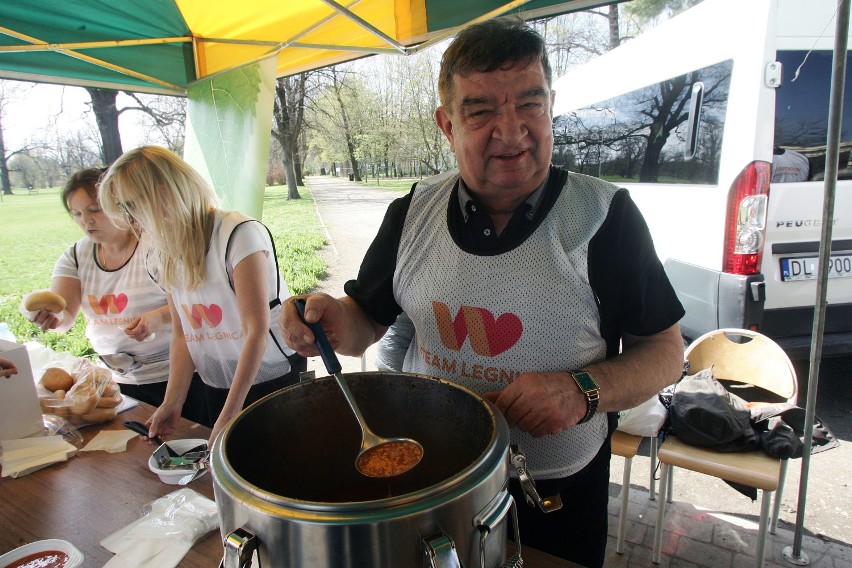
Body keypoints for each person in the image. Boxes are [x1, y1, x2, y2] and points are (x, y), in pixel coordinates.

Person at [281, 18, 685, 567]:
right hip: (436, 479)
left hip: (556, 492)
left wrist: (581, 390)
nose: (512, 130)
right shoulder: (411, 213)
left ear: (550, 107)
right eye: (481, 110)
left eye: (529, 103)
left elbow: (665, 352)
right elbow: (364, 321)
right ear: (447, 125)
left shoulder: (604, 217)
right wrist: (328, 318)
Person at [99, 146, 306, 445]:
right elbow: (183, 334)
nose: (130, 221)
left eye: (132, 206)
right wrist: (172, 402)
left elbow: (255, 331)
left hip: (268, 373)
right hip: (218, 376)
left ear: (164, 194)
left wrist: (229, 414)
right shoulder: (163, 250)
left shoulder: (237, 233)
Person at [27, 168, 206, 422]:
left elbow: (191, 305)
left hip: (177, 376)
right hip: (117, 381)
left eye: (94, 210)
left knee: (186, 446)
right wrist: (51, 319)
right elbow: (63, 315)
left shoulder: (156, 245)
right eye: (77, 214)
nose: (86, 221)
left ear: (119, 204)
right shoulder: (76, 257)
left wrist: (156, 317)